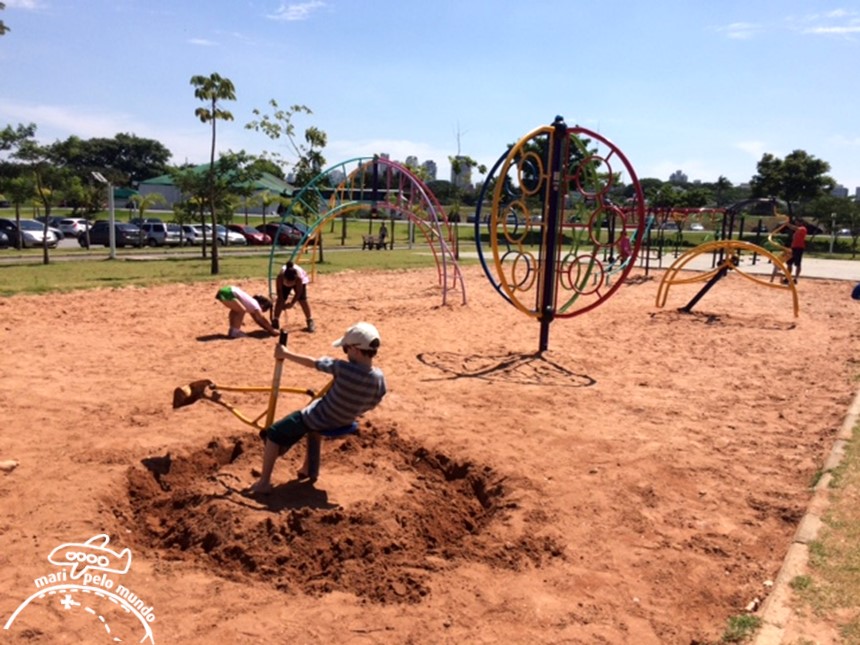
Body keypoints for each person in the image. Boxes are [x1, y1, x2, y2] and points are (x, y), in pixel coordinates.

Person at [247, 322, 387, 494]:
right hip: (343, 421)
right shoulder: (379, 379)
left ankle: (264, 482)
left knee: (273, 434)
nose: (345, 353)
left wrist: (286, 353)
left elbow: (313, 363)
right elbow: (373, 402)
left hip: (318, 418)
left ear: (356, 350)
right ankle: (309, 470)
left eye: (345, 349)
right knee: (315, 422)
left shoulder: (342, 368)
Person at [273, 261, 315, 333]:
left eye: (291, 282)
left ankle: (309, 320)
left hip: (300, 282)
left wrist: (292, 303)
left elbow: (298, 293)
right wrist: (282, 301)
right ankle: (275, 320)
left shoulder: (299, 278)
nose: (290, 284)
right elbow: (279, 291)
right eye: (288, 282)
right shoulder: (280, 277)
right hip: (284, 284)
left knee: (302, 300)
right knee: (279, 300)